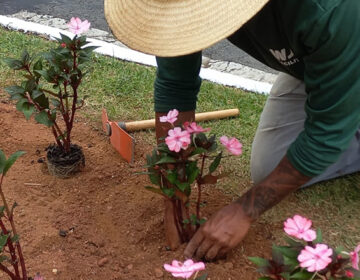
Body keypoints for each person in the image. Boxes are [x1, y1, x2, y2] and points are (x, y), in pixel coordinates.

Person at [104, 0, 360, 260]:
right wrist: (174, 190)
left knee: (331, 128)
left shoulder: (328, 9)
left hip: (348, 46)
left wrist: (244, 211)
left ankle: (347, 109)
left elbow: (324, 135)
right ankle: (343, 103)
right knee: (269, 168)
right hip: (318, 64)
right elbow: (174, 85)